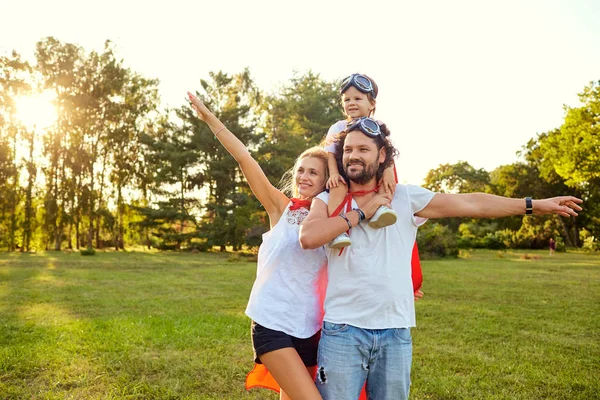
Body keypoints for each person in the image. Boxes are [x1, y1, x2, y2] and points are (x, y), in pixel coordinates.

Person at [299, 117, 583, 400]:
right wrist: (362, 212)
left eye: (363, 149)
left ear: (382, 155)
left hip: (395, 332)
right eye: (348, 150)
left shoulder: (405, 197)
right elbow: (309, 237)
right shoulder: (328, 200)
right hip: (343, 332)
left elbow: (471, 203)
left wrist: (532, 206)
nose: (353, 156)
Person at [187, 92, 328, 400]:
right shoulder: (280, 208)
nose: (303, 176)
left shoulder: (332, 221)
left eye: (313, 172)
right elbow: (244, 158)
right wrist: (210, 119)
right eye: (301, 170)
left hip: (310, 327)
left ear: (326, 182)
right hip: (271, 321)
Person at [325, 73, 425, 296]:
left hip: (374, 173)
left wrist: (388, 171)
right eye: (347, 100)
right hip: (345, 172)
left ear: (372, 104)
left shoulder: (378, 126)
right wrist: (333, 173)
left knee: (388, 185)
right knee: (337, 187)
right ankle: (337, 230)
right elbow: (330, 154)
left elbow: (386, 154)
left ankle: (382, 210)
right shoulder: (338, 127)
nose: (351, 103)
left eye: (358, 99)